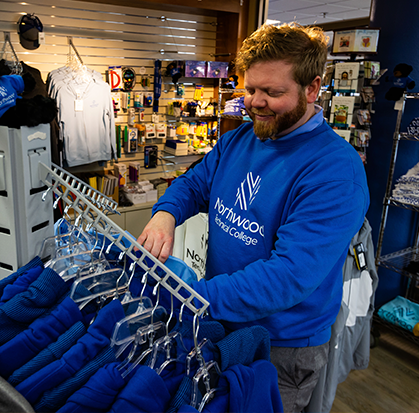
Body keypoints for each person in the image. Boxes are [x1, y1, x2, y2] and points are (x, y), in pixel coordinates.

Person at [137, 22, 369, 413]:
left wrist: (190, 297)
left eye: (272, 92)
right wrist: (164, 214)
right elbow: (194, 184)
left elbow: (287, 277)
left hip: (281, 348)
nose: (255, 102)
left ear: (311, 89)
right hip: (222, 320)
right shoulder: (240, 139)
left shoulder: (334, 171)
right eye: (250, 89)